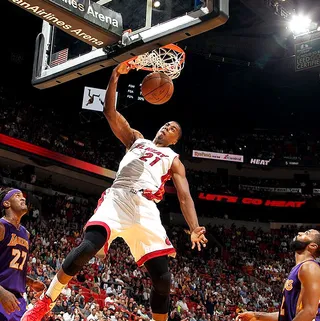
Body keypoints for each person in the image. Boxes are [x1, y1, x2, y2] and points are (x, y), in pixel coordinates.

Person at [22, 63, 208, 321]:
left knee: (163, 279)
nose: (167, 127)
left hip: (146, 209)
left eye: (173, 128)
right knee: (88, 247)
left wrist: (195, 226)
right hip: (119, 197)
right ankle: (46, 301)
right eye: (166, 123)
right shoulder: (137, 139)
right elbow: (109, 112)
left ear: (176, 140)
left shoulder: (173, 158)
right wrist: (115, 76)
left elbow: (185, 196)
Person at [236, 229, 320, 321]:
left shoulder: (310, 267)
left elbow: (310, 311)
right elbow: (286, 314)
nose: (300, 233)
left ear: (312, 246)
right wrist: (256, 316)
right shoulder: (299, 268)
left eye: (306, 233)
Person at [0, 187, 45, 321]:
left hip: (17, 300)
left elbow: (8, 266)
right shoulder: (1, 227)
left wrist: (30, 282)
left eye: (23, 196)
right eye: (17, 196)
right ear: (6, 203)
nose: (23, 198)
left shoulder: (26, 234)